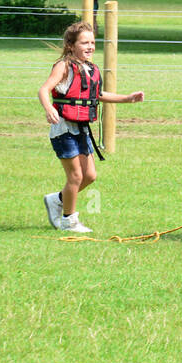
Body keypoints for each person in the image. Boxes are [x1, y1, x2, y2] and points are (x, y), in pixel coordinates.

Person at [37, 20, 145, 232]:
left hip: (82, 128)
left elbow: (97, 95)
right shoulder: (64, 66)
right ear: (71, 45)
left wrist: (127, 98)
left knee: (90, 176)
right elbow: (44, 90)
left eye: (93, 42)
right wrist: (48, 107)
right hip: (64, 129)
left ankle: (57, 200)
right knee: (76, 176)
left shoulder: (90, 68)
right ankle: (69, 220)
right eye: (84, 42)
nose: (90, 47)